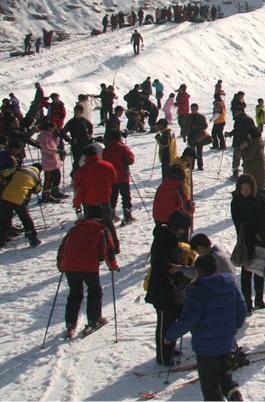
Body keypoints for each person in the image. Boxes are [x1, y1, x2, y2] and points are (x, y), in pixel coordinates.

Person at [164, 253, 246, 402]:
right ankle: (234, 394)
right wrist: (236, 326)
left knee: (210, 384)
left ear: (198, 270)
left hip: (206, 347)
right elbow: (241, 308)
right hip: (226, 342)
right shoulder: (230, 283)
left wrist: (170, 335)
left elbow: (189, 319)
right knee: (225, 374)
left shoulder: (197, 290)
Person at [56, 204, 119, 338]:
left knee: (75, 293)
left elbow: (63, 248)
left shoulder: (74, 229)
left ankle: (70, 323)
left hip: (70, 266)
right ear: (102, 216)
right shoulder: (101, 231)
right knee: (94, 291)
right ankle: (94, 319)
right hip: (89, 267)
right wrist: (112, 266)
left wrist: (61, 264)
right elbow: (108, 250)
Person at [145, 210, 192, 366]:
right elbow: (159, 263)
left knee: (171, 320)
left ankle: (169, 348)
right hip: (162, 289)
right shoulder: (164, 238)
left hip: (168, 288)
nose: (183, 232)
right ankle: (164, 356)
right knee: (165, 323)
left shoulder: (168, 237)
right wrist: (175, 269)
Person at [230, 175, 265, 314]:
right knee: (247, 271)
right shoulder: (236, 202)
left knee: (259, 269)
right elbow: (240, 223)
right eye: (243, 189)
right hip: (246, 241)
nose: (245, 191)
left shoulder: (258, 198)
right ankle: (247, 302)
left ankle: (259, 299)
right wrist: (254, 233)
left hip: (259, 240)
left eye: (248, 188)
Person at [0, 163, 43, 249]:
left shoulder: (20, 169)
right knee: (26, 219)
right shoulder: (37, 177)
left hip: (6, 196)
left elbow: (3, 173)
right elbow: (37, 190)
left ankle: (1, 241)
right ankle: (32, 239)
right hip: (20, 199)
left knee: (4, 220)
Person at [72, 145, 117, 220]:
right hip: (105, 199)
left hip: (90, 203)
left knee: (92, 224)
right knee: (107, 222)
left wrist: (77, 203)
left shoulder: (82, 171)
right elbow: (114, 180)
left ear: (85, 156)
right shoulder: (109, 166)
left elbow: (79, 189)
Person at [102, 130, 136, 224]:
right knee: (125, 196)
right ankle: (127, 215)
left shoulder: (106, 149)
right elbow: (131, 160)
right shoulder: (123, 147)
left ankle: (111, 214)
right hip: (123, 175)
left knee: (112, 196)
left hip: (111, 176)